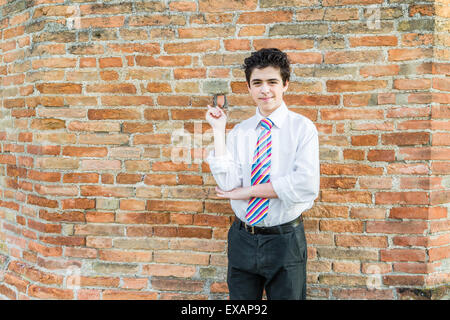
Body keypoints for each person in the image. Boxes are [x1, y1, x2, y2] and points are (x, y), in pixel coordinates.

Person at [205, 48, 320, 300]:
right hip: (243, 238)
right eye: (257, 83)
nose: (264, 90)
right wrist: (218, 130)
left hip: (285, 240)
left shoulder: (302, 128)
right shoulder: (239, 132)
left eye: (272, 82)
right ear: (248, 87)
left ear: (285, 84)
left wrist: (248, 191)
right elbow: (228, 184)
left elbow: (306, 185)